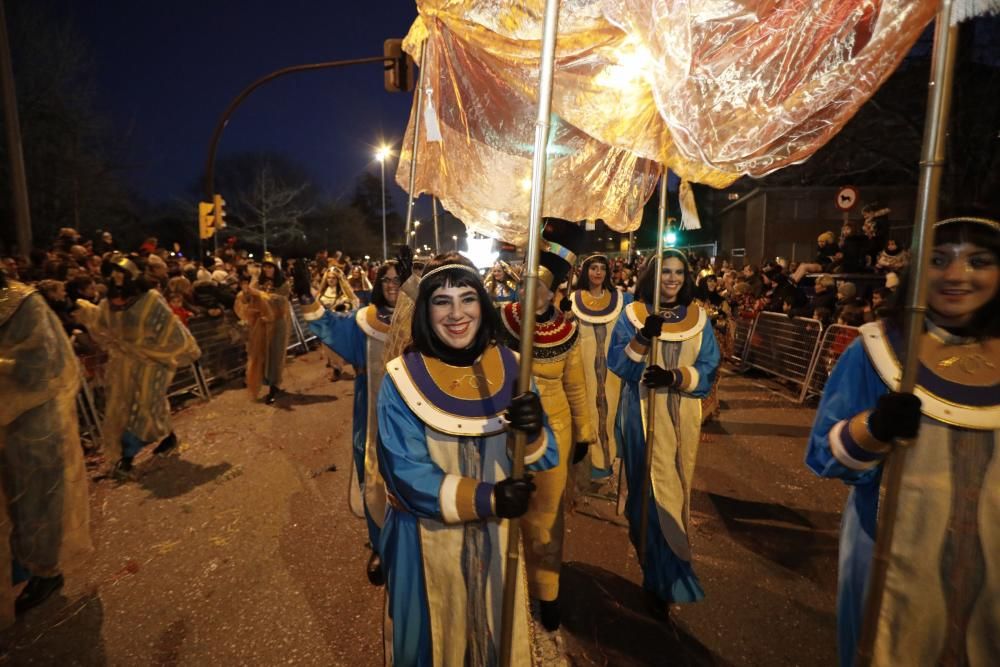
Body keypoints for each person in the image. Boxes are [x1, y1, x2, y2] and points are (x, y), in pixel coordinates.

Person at [806, 216, 1000, 667]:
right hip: (890, 560)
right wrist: (874, 429)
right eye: (938, 259)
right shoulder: (878, 351)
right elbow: (823, 455)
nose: (956, 275)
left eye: (979, 261)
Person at [376, 254, 559, 665]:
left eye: (467, 298)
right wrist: (490, 499)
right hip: (424, 547)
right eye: (442, 301)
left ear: (483, 304)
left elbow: (546, 457)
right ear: (425, 310)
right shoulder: (401, 380)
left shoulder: (514, 367)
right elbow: (405, 473)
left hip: (497, 542)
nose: (456, 313)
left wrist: (531, 433)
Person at [608, 248, 721, 616]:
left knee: (676, 490)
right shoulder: (632, 313)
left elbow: (708, 364)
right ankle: (655, 571)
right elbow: (620, 364)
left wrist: (676, 377)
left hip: (682, 415)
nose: (672, 279)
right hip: (642, 414)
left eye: (678, 273)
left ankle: (668, 573)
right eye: (665, 273)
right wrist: (642, 337)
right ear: (652, 277)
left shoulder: (698, 318)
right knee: (650, 495)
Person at [498, 219, 594, 632]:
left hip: (555, 431)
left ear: (555, 289)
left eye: (541, 286)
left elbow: (576, 387)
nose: (532, 293)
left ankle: (548, 591)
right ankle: (503, 586)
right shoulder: (500, 319)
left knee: (547, 518)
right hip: (503, 431)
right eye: (527, 285)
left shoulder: (568, 329)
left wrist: (585, 433)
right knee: (503, 510)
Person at [296, 259, 406, 586]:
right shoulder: (364, 322)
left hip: (414, 418)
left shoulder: (421, 320)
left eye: (398, 278)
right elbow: (329, 324)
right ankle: (381, 546)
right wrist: (306, 298)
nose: (391, 284)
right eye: (385, 279)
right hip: (371, 417)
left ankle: (412, 545)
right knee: (372, 478)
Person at [0, 272, 92, 625]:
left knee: (35, 501)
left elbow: (45, 365)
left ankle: (44, 573)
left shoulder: (27, 304)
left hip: (33, 426)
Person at [74, 254, 201, 478]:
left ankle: (126, 458)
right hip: (123, 365)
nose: (116, 278)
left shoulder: (151, 300)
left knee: (143, 408)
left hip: (151, 363)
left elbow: (172, 329)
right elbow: (102, 324)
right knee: (129, 409)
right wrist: (86, 313)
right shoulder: (108, 303)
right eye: (113, 273)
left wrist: (177, 350)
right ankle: (168, 437)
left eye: (120, 273)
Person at [570, 253, 633, 481]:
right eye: (593, 268)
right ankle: (591, 466)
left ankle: (608, 464)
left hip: (614, 370)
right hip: (583, 369)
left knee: (611, 414)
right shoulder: (574, 299)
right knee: (589, 414)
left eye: (602, 269)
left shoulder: (621, 299)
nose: (598, 272)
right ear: (585, 271)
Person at [234, 253, 291, 405]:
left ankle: (274, 386)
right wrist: (246, 294)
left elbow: (281, 301)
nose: (267, 270)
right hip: (261, 325)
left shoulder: (283, 284)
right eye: (265, 267)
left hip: (277, 323)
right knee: (259, 355)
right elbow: (249, 299)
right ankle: (261, 382)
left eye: (270, 267)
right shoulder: (257, 283)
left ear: (275, 269)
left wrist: (261, 294)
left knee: (275, 355)